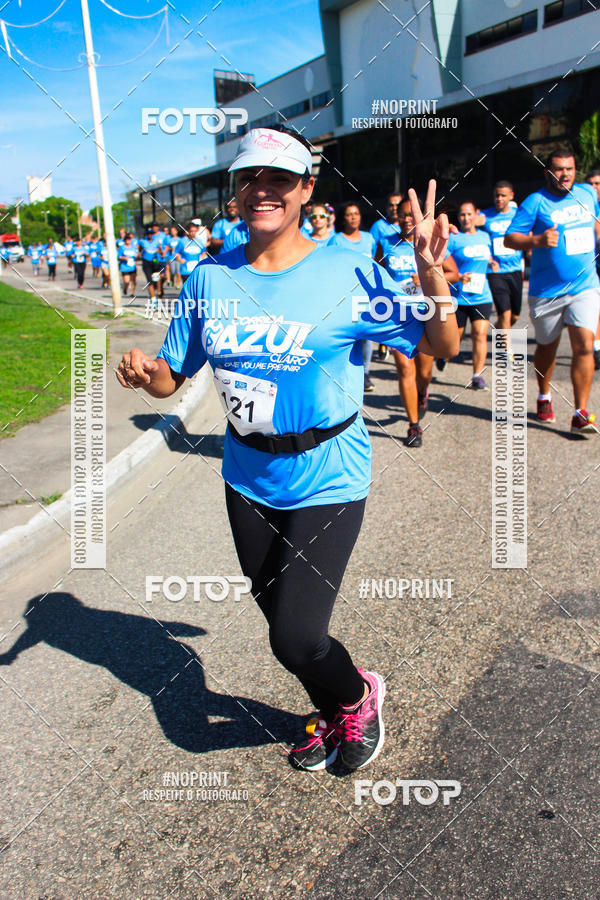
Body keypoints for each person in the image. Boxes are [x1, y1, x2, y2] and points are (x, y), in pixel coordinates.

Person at [116, 124, 458, 773]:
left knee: (295, 636)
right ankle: (331, 710)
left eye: (279, 178)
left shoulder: (350, 271)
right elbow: (171, 377)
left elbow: (441, 347)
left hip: (329, 471)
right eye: (249, 177)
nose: (262, 189)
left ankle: (358, 699)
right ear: (236, 191)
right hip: (247, 475)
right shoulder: (208, 279)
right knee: (283, 627)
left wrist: (430, 272)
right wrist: (144, 374)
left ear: (305, 189)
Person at [505, 148, 600, 436]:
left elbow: (595, 223)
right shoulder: (534, 203)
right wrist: (536, 239)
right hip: (547, 292)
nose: (565, 174)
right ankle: (544, 394)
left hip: (585, 286)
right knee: (547, 348)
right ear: (548, 172)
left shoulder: (586, 193)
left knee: (584, 346)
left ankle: (580, 412)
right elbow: (510, 238)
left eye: (569, 169)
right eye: (559, 169)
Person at [385, 198, 459, 446]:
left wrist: (427, 276)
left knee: (424, 373)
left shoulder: (429, 242)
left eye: (410, 214)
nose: (407, 218)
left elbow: (453, 273)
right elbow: (376, 270)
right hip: (396, 317)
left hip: (426, 314)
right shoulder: (387, 243)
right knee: (405, 368)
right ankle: (414, 426)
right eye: (403, 215)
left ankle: (422, 392)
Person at [445, 201, 499, 390]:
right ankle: (444, 356)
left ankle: (477, 375)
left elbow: (486, 257)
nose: (466, 218)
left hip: (482, 295)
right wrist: (458, 276)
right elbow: (444, 264)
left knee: (480, 334)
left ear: (476, 214)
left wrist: (492, 263)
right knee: (455, 340)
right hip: (459, 296)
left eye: (469, 214)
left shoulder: (485, 237)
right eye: (462, 215)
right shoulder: (453, 239)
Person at [328, 203, 377, 392]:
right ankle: (341, 372)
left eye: (356, 213)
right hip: (343, 295)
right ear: (343, 218)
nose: (354, 217)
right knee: (346, 334)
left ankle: (365, 373)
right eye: (349, 214)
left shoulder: (369, 238)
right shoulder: (337, 240)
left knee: (366, 335)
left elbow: (375, 264)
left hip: (366, 294)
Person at [479, 181, 524, 332]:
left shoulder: (518, 215)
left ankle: (500, 330)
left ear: (511, 196)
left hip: (515, 269)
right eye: (496, 195)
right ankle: (505, 354)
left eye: (503, 196)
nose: (499, 199)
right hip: (495, 271)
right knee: (504, 313)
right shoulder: (485, 215)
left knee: (514, 316)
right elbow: (470, 224)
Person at [371, 193, 404, 361]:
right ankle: (385, 343)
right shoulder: (379, 226)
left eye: (397, 205)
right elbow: (374, 251)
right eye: (391, 205)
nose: (394, 208)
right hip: (388, 277)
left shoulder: (409, 225)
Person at [586, 169, 600, 369]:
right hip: (591, 264)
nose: (594, 187)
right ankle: (596, 348)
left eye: (598, 183)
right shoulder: (584, 206)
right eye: (591, 184)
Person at [139, 224, 163, 307]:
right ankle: (153, 299)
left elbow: (160, 251)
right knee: (150, 281)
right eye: (148, 234)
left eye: (151, 234)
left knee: (157, 278)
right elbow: (139, 250)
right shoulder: (143, 242)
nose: (150, 235)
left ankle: (159, 291)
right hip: (146, 262)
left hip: (155, 261)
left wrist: (159, 251)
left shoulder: (156, 241)